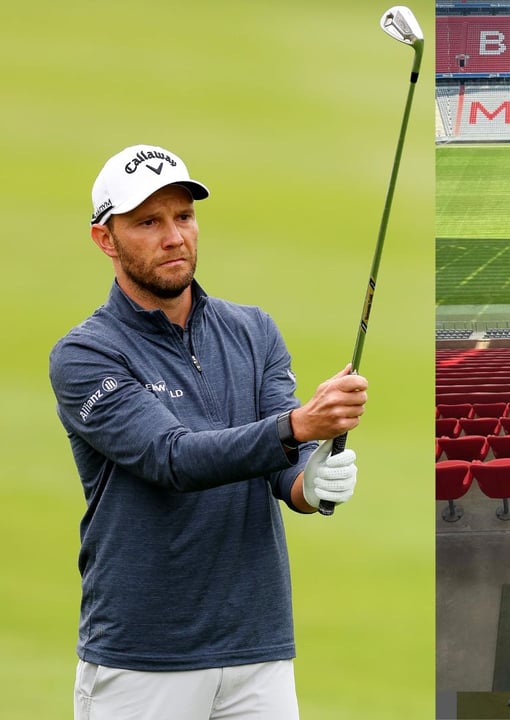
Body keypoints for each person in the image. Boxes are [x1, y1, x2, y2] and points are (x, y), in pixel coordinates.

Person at [51, 144, 369, 719]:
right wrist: (297, 427)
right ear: (106, 238)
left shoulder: (254, 331)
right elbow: (171, 459)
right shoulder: (84, 354)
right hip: (143, 656)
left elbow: (282, 466)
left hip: (258, 650)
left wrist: (309, 483)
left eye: (184, 216)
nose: (174, 236)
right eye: (148, 222)